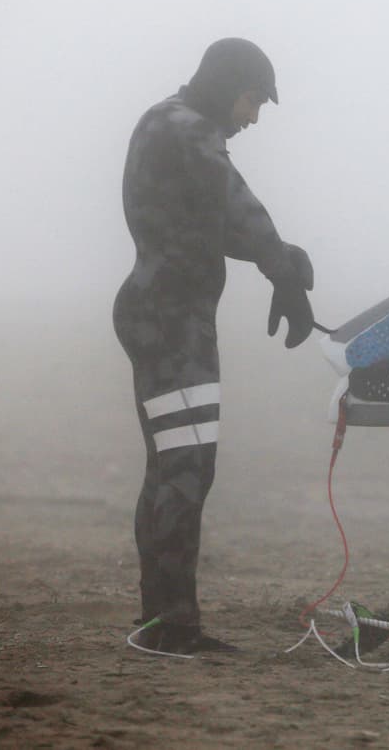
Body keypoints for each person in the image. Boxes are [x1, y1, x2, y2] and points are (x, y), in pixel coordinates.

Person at [113, 38, 316, 655]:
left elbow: (210, 221)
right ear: (227, 86)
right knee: (185, 468)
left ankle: (163, 618)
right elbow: (236, 204)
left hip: (162, 313)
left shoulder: (167, 124)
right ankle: (172, 626)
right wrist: (282, 271)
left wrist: (282, 261)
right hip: (172, 322)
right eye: (252, 100)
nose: (252, 117)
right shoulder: (189, 129)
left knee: (173, 467)